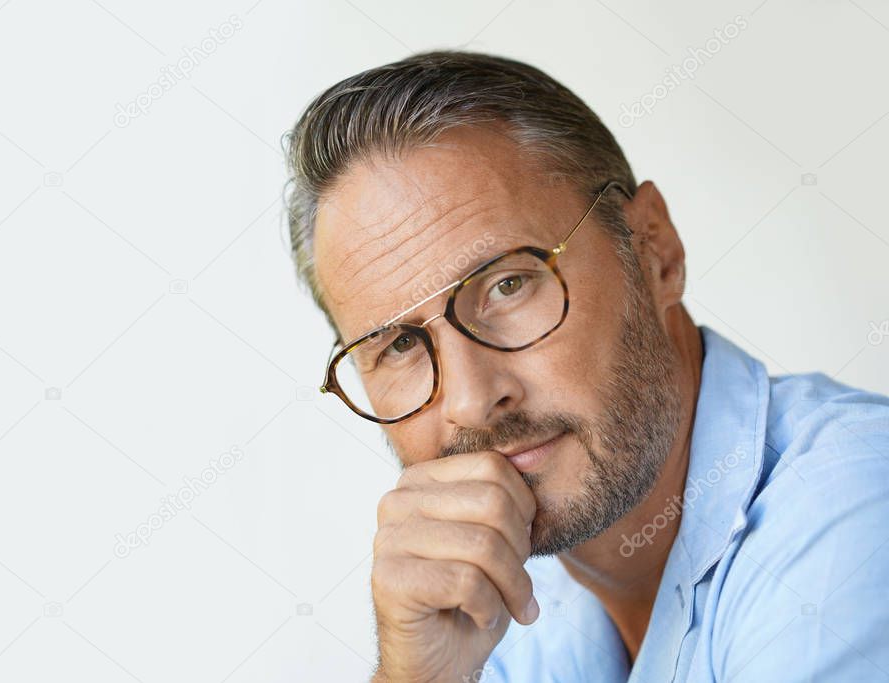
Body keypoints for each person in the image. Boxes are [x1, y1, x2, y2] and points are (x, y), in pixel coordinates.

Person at [282, 50, 889, 681]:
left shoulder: (853, 513)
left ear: (654, 251)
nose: (470, 400)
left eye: (509, 285)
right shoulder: (496, 610)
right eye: (400, 346)